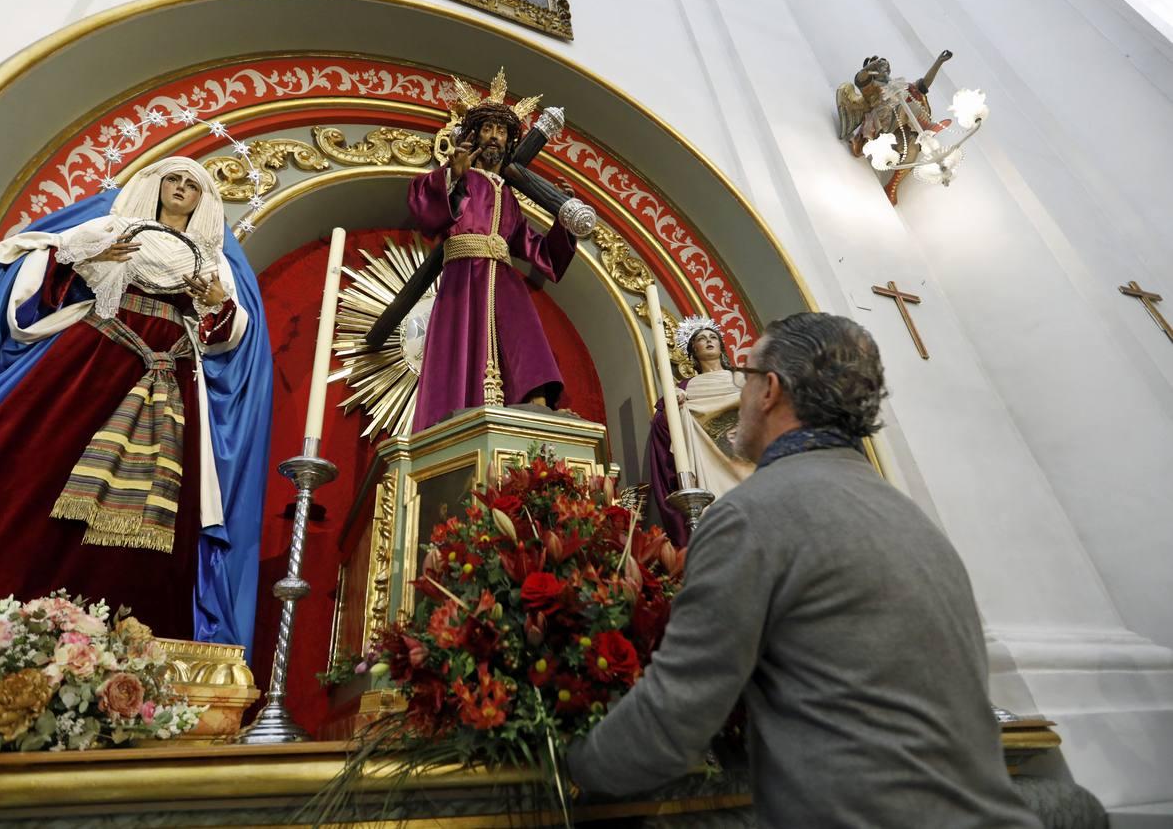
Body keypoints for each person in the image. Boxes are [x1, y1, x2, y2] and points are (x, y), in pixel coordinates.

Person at [568, 313, 1040, 828]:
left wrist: (566, 770)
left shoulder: (750, 517)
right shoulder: (912, 518)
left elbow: (671, 725)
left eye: (745, 378)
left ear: (768, 390)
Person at [0, 157, 273, 649]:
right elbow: (52, 268)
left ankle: (120, 628)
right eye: (174, 179)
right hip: (98, 354)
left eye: (192, 185)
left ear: (204, 199)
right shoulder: (115, 225)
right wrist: (90, 259)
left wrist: (216, 302)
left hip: (172, 376)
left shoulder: (214, 263)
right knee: (39, 461)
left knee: (156, 506)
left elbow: (225, 338)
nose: (182, 188)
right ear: (158, 185)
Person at [408, 71, 578, 432]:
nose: (494, 138)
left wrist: (563, 219)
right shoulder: (461, 177)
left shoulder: (510, 197)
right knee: (460, 346)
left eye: (501, 132)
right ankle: (452, 421)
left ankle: (535, 404)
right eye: (487, 130)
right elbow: (425, 207)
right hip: (463, 276)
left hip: (501, 274)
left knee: (525, 331)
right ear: (473, 136)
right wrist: (452, 176)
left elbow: (541, 253)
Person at [646, 315, 752, 545]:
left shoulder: (743, 379)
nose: (709, 341)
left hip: (747, 461)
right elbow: (664, 430)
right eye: (702, 339)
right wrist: (672, 406)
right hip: (709, 465)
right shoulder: (687, 387)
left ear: (722, 346)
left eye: (713, 337)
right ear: (693, 351)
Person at [836, 50, 953, 204]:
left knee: (912, 147)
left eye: (885, 66)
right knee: (906, 104)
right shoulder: (873, 88)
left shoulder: (902, 86)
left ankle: (892, 186)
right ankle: (925, 127)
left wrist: (939, 61)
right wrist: (868, 68)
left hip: (897, 128)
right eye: (879, 66)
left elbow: (924, 84)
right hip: (879, 123)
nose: (883, 68)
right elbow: (860, 79)